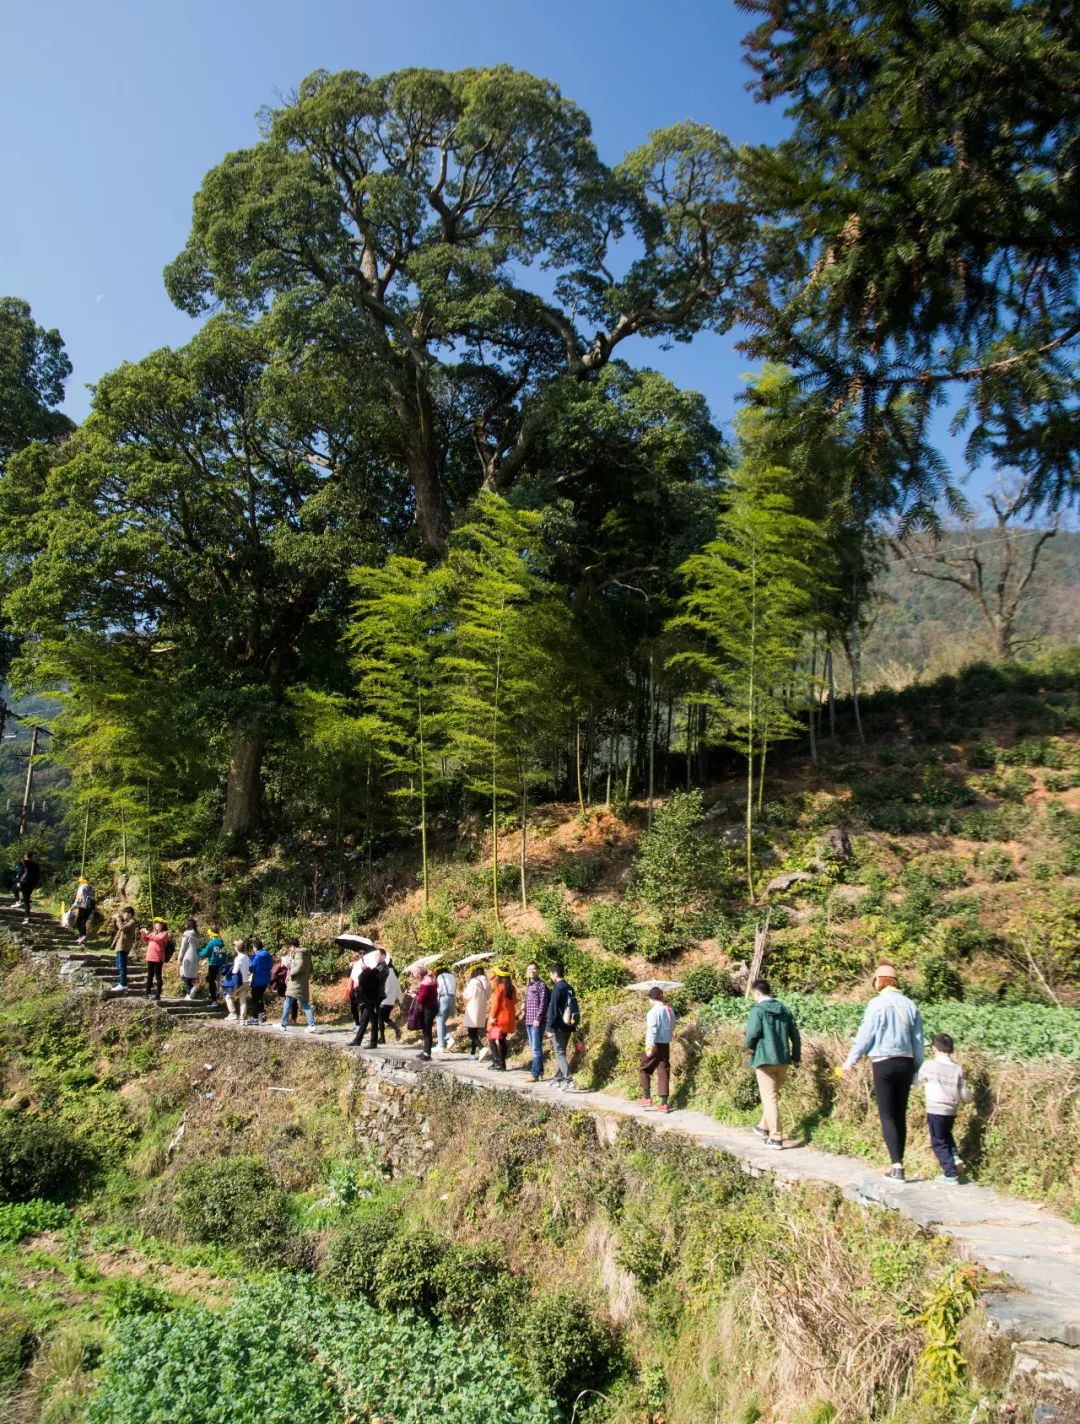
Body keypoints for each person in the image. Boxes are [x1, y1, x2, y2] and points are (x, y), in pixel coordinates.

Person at [841, 963, 925, 1182]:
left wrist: (851, 1061)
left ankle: (896, 1166)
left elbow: (866, 1035)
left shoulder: (877, 1004)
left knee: (887, 1115)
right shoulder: (910, 1005)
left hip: (884, 1063)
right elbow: (918, 1041)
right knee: (900, 1114)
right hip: (906, 1064)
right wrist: (917, 1069)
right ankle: (900, 1163)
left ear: (879, 981)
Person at [744, 977, 801, 1149]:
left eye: (753, 994)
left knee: (769, 1099)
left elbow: (752, 1034)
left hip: (764, 1059)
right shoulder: (784, 1009)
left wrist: (748, 1045)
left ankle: (776, 1137)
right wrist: (796, 1056)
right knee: (773, 1097)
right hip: (783, 1059)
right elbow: (795, 1036)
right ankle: (763, 1127)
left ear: (757, 992)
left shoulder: (758, 1010)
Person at [918, 1033, 973, 1185]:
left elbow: (919, 1080)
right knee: (946, 1134)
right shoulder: (958, 1069)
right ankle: (955, 1157)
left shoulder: (929, 1065)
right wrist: (970, 1097)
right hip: (951, 1110)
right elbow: (964, 1094)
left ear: (934, 1048)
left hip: (935, 1108)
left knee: (938, 1142)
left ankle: (950, 1174)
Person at [638, 986, 677, 1112]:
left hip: (655, 1045)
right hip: (666, 1045)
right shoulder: (669, 1010)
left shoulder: (653, 1012)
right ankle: (664, 1104)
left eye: (649, 999)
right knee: (663, 1071)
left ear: (652, 998)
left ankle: (647, 1097)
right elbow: (673, 1024)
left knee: (643, 1068)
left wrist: (649, 1046)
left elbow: (652, 1030)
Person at [546, 962, 579, 1090]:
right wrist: (574, 1026)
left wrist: (550, 1028)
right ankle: (558, 1078)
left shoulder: (557, 988)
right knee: (562, 1053)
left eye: (551, 974)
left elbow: (553, 1009)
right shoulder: (569, 987)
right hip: (568, 1025)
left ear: (554, 974)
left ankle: (568, 1079)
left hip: (558, 1027)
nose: (550, 976)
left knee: (559, 1053)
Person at [349, 950, 387, 1049]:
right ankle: (358, 1040)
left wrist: (367, 970)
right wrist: (366, 970)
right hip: (370, 996)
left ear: (383, 956)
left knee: (373, 1019)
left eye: (377, 955)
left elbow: (374, 980)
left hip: (375, 997)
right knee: (364, 1019)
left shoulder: (383, 967)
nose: (375, 957)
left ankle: (373, 1042)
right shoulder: (378, 967)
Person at [280, 937, 317, 1032]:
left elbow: (299, 965)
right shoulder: (306, 954)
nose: (289, 949)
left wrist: (290, 973)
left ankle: (283, 1024)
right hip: (303, 982)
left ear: (292, 946)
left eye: (289, 947)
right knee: (304, 1003)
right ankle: (311, 1025)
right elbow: (310, 968)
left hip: (295, 982)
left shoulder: (298, 953)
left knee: (287, 1003)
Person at [486, 969, 517, 1072]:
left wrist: (492, 1017)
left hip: (499, 1019)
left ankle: (497, 1061)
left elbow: (495, 1005)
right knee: (502, 1040)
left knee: (491, 1039)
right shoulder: (512, 988)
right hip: (508, 1019)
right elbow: (515, 1001)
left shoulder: (499, 988)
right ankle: (502, 1063)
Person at [523, 962, 549, 1082]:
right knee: (535, 1047)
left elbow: (543, 1003)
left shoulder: (541, 985)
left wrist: (538, 1018)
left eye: (534, 969)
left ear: (538, 971)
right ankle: (540, 1072)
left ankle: (534, 1074)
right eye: (529, 969)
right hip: (528, 1019)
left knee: (536, 1048)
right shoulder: (529, 985)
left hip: (536, 1021)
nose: (532, 971)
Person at [408, 968, 438, 1060]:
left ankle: (427, 1053)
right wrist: (418, 992)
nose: (416, 978)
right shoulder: (431, 979)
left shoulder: (425, 983)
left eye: (416, 976)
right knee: (426, 1030)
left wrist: (415, 996)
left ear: (420, 975)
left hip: (429, 1008)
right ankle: (426, 1051)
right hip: (433, 1006)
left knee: (426, 1030)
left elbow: (422, 999)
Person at [109, 906, 138, 992]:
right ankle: (121, 982)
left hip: (124, 947)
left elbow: (121, 928)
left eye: (125, 913)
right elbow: (118, 929)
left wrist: (118, 918)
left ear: (130, 914)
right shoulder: (125, 922)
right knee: (118, 966)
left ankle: (123, 984)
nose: (124, 915)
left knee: (122, 966)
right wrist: (115, 920)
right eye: (123, 913)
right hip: (119, 946)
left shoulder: (132, 922)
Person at [140, 919, 170, 1001]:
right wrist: (143, 933)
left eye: (158, 924)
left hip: (158, 957)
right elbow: (146, 939)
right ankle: (147, 993)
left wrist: (148, 933)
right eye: (155, 924)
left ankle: (157, 995)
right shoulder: (153, 933)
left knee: (158, 976)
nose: (156, 925)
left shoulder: (164, 933)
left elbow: (158, 939)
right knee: (149, 975)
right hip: (150, 956)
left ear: (162, 925)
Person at [224, 938, 251, 1023]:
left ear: (237, 948)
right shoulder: (247, 957)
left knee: (228, 996)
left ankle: (232, 1013)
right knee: (243, 1000)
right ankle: (242, 1018)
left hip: (239, 982)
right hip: (246, 981)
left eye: (235, 946)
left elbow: (235, 971)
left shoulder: (238, 958)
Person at [199, 929, 228, 1006]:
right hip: (221, 965)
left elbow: (204, 953)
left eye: (209, 934)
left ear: (212, 935)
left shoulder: (212, 942)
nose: (209, 936)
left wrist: (198, 951)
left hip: (213, 964)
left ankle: (214, 1000)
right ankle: (215, 992)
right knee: (209, 979)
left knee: (211, 981)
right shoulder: (221, 942)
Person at [249, 937, 273, 1022]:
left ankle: (254, 1018)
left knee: (255, 998)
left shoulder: (256, 957)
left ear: (255, 947)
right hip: (266, 979)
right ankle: (262, 1013)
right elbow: (271, 966)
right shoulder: (268, 955)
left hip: (257, 980)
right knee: (259, 997)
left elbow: (252, 969)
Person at [379, 952, 402, 1044]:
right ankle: (396, 1029)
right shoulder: (393, 972)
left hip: (384, 999)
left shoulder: (386, 971)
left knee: (380, 1018)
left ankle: (382, 1038)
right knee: (385, 1017)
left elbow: (385, 986)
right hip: (391, 999)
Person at [435, 963, 457, 1052]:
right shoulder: (452, 976)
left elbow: (439, 990)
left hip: (444, 998)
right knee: (444, 1021)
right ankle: (449, 1038)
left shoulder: (440, 977)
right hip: (452, 998)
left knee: (439, 1021)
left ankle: (440, 1045)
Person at [14, 852, 41, 923]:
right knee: (26, 901)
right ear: (32, 856)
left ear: (25, 856)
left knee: (14, 888)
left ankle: (18, 901)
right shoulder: (36, 865)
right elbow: (38, 876)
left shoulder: (22, 862)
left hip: (23, 882)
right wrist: (35, 885)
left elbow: (20, 872)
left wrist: (18, 882)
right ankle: (27, 918)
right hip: (31, 884)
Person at [178, 918, 201, 999]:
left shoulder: (186, 934)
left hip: (188, 956)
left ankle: (191, 989)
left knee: (183, 974)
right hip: (196, 957)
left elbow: (183, 947)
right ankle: (190, 993)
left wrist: (179, 958)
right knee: (192, 976)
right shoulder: (197, 934)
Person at [72, 877, 96, 945]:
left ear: (81, 881)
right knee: (84, 921)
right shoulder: (91, 887)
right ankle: (83, 937)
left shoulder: (81, 887)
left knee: (79, 922)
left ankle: (82, 936)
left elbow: (79, 897)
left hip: (83, 906)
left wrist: (74, 905)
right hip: (90, 907)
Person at [347, 948, 365, 1028]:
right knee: (353, 1006)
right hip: (353, 987)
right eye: (359, 953)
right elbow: (348, 975)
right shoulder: (355, 964)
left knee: (361, 1006)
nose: (360, 955)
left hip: (362, 987)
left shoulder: (367, 963)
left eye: (362, 953)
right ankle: (357, 1023)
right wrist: (350, 967)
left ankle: (361, 1024)